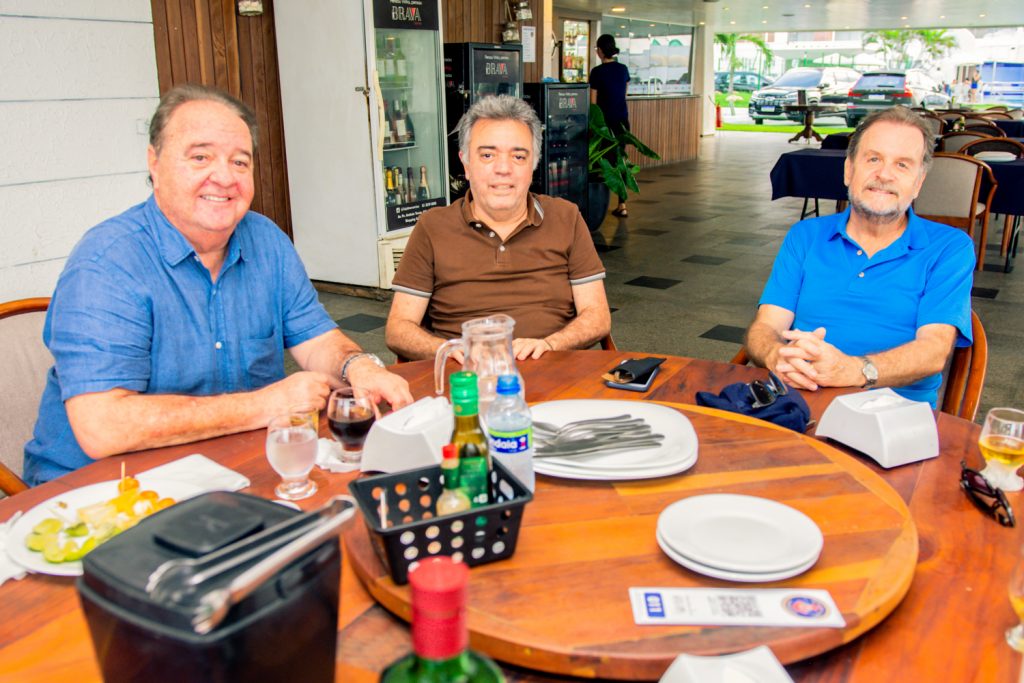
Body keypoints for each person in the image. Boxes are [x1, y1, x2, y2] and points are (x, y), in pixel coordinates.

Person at [24, 84, 412, 485]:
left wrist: (359, 366)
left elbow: (315, 338)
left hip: (227, 471)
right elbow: (103, 427)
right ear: (154, 162)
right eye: (200, 156)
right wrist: (268, 404)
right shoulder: (107, 264)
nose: (224, 177)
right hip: (99, 494)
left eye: (240, 162)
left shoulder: (266, 241)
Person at [743, 106, 974, 407]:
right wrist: (775, 354)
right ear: (849, 170)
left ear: (918, 183)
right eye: (873, 158)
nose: (884, 174)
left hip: (894, 415)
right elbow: (766, 326)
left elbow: (933, 351)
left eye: (902, 165)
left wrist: (851, 370)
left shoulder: (949, 248)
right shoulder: (805, 236)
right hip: (796, 402)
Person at [385, 95, 611, 362]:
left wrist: (551, 344)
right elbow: (398, 329)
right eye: (488, 155)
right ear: (466, 164)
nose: (503, 169)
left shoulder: (566, 217)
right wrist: (451, 351)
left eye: (518, 156)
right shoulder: (433, 227)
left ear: (533, 165)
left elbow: (597, 316)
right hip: (464, 380)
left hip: (553, 372)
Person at [589, 33, 631, 218]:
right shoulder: (623, 69)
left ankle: (599, 202)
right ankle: (622, 204)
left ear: (600, 50)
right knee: (619, 160)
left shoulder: (597, 72)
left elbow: (593, 104)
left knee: (603, 162)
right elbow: (625, 93)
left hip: (603, 125)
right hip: (621, 122)